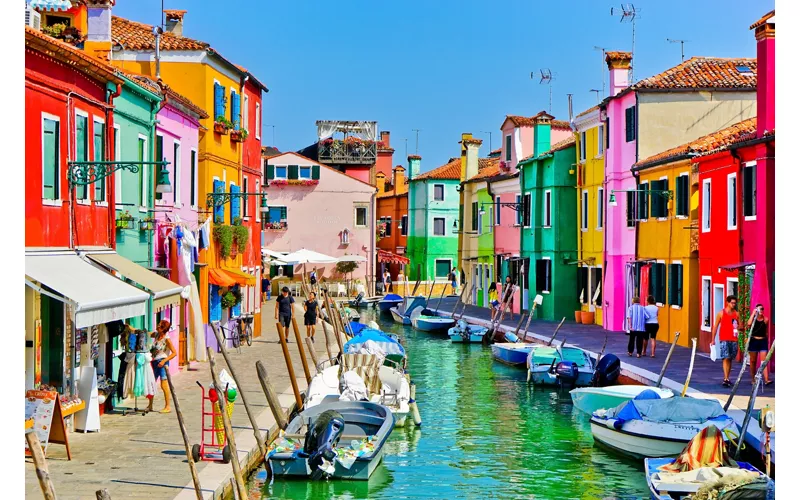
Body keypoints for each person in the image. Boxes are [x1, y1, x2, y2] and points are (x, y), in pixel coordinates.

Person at [148, 320, 177, 413]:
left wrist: (164, 361)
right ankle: (150, 405)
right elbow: (146, 333)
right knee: (152, 383)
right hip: (154, 362)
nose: (157, 326)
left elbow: (174, 353)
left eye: (159, 326)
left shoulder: (166, 339)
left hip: (162, 362)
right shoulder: (156, 335)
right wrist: (132, 329)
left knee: (163, 384)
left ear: (163, 329)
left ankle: (167, 406)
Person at [711, 295, 739, 387]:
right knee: (725, 357)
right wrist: (713, 340)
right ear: (727, 302)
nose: (733, 305)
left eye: (735, 303)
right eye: (732, 303)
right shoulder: (721, 313)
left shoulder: (736, 314)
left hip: (734, 338)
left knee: (730, 358)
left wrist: (739, 328)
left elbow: (741, 326)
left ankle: (727, 377)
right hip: (724, 338)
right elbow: (715, 326)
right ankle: (725, 378)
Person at [746, 304, 772, 386]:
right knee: (753, 361)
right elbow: (748, 324)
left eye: (762, 309)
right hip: (754, 340)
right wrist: (754, 313)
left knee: (763, 361)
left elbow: (766, 331)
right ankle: (753, 378)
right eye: (759, 309)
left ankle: (766, 379)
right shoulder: (753, 319)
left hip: (762, 341)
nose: (761, 310)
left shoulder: (765, 319)